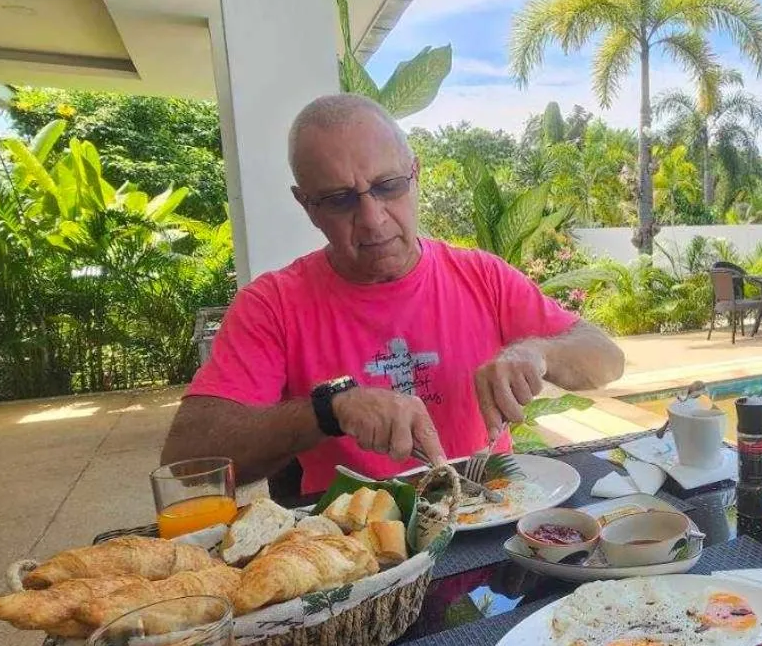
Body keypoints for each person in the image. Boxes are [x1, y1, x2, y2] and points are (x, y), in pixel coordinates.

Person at [161, 93, 624, 495]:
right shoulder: (273, 304)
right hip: (356, 541)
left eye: (388, 187)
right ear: (307, 206)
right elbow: (186, 460)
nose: (373, 218)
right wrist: (329, 410)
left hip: (491, 509)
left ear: (415, 174)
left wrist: (538, 353)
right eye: (340, 199)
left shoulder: (482, 276)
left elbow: (606, 358)